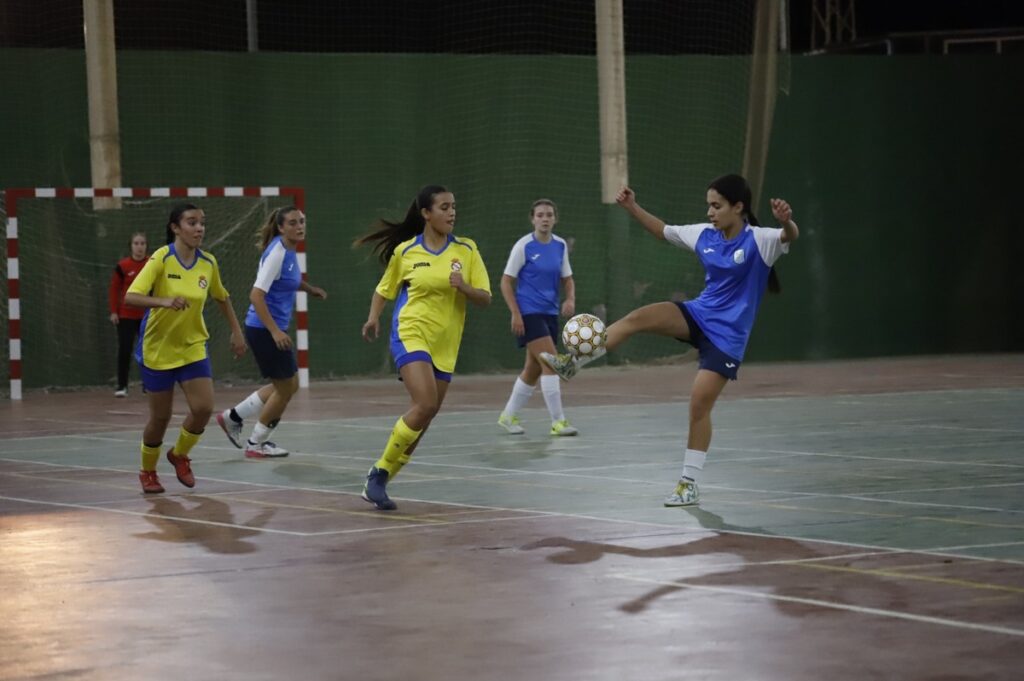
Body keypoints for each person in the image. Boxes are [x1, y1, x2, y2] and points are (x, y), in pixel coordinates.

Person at [541, 174, 799, 507]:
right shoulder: (705, 236)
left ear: (738, 207)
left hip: (728, 338)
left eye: (717, 206)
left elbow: (786, 235)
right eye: (708, 205)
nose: (710, 212)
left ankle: (688, 483)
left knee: (698, 405)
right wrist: (632, 207)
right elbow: (663, 230)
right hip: (698, 315)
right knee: (638, 318)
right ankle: (573, 362)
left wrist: (787, 221)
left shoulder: (760, 240)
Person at [355, 185, 492, 510]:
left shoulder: (467, 250)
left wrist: (466, 288)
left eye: (454, 206)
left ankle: (383, 477)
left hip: (446, 343)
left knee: (426, 416)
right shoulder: (406, 252)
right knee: (425, 402)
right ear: (426, 214)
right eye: (444, 207)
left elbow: (486, 298)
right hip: (410, 331)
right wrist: (373, 317)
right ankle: (377, 475)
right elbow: (384, 289)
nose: (452, 212)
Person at [124, 203, 247, 494]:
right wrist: (164, 301)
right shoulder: (161, 258)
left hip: (192, 345)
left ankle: (179, 454)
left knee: (203, 408)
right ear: (175, 228)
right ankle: (148, 471)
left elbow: (222, 296)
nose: (199, 228)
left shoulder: (208, 263)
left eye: (202, 223)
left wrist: (236, 331)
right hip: (158, 348)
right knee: (161, 417)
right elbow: (132, 296)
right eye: (192, 223)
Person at [216, 207, 327, 459]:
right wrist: (275, 331)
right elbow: (256, 295)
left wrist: (309, 289)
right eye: (292, 223)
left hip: (268, 329)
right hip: (264, 330)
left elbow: (288, 280)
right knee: (286, 388)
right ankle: (256, 443)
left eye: (302, 221)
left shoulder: (288, 250)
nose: (299, 226)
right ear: (280, 227)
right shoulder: (277, 252)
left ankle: (232, 417)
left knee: (288, 384)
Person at [497, 198, 578, 436]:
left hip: (550, 313)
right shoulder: (523, 246)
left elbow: (568, 279)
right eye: (540, 215)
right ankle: (558, 422)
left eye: (549, 215)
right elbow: (506, 281)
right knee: (552, 363)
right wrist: (515, 313)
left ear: (555, 219)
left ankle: (508, 416)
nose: (545, 219)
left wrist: (570, 299)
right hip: (529, 313)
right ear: (533, 219)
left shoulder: (560, 245)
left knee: (533, 369)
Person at [108, 232, 149, 397]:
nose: (139, 247)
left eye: (142, 243)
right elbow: (114, 289)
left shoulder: (151, 264)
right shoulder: (123, 266)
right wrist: (113, 312)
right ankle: (122, 386)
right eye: (136, 243)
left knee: (148, 351)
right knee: (124, 350)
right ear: (131, 246)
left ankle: (149, 384)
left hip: (146, 316)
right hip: (126, 316)